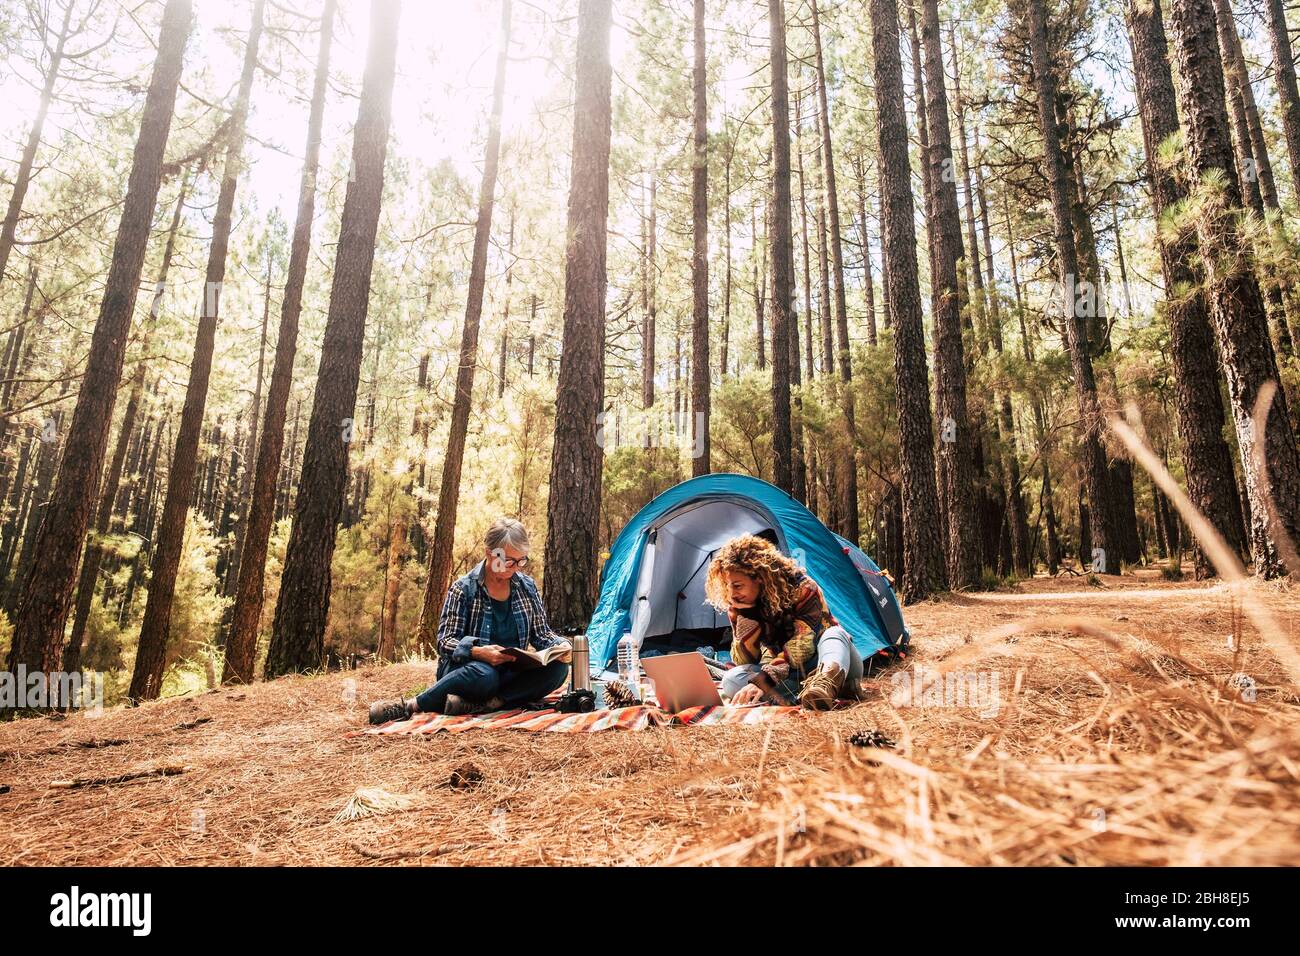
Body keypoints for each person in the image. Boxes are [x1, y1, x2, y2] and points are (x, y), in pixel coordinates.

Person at [368, 517, 570, 723]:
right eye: (508, 560)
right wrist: (477, 652)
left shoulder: (526, 587)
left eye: (521, 561)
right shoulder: (463, 588)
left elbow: (541, 634)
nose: (515, 567)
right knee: (485, 675)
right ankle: (411, 705)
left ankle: (490, 704)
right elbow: (445, 641)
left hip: (510, 672)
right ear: (489, 554)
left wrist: (560, 646)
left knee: (558, 669)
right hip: (469, 670)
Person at [703, 533, 864, 710]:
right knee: (731, 681)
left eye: (737, 585)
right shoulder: (741, 605)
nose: (731, 593)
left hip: (833, 660)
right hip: (791, 674)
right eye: (727, 585)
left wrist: (762, 682)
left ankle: (826, 685)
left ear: (760, 578)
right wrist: (744, 617)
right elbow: (744, 661)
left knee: (834, 633)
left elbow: (801, 647)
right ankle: (817, 692)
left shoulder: (803, 588)